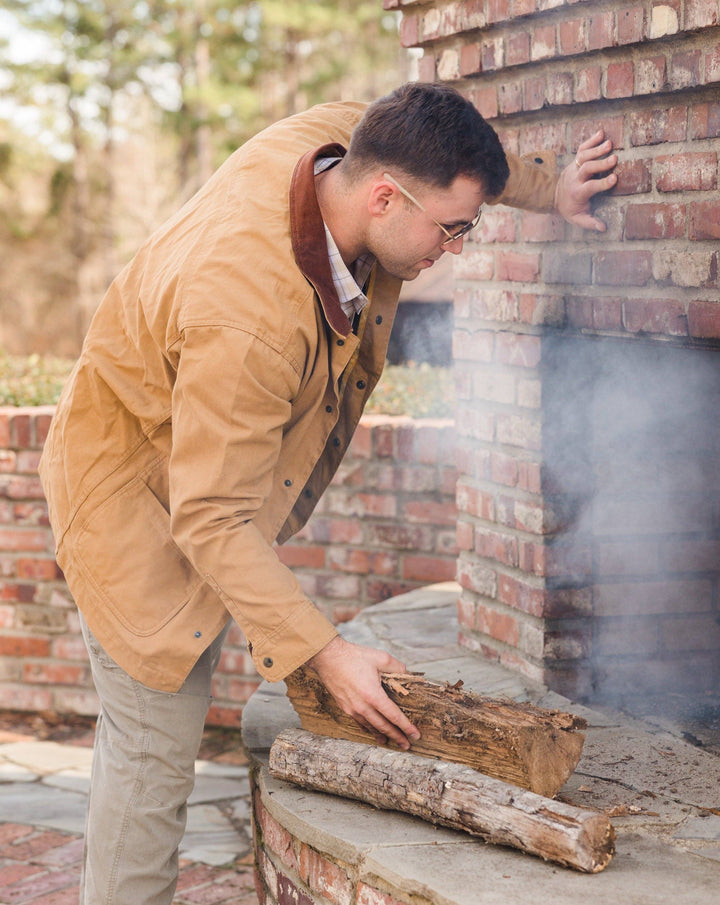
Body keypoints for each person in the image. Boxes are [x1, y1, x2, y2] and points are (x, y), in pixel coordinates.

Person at [39, 81, 617, 904]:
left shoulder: (348, 142)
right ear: (383, 197)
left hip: (191, 466)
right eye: (452, 231)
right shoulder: (250, 316)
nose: (455, 248)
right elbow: (209, 515)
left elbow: (453, 158)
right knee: (149, 754)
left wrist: (546, 186)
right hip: (137, 509)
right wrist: (325, 651)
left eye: (471, 224)